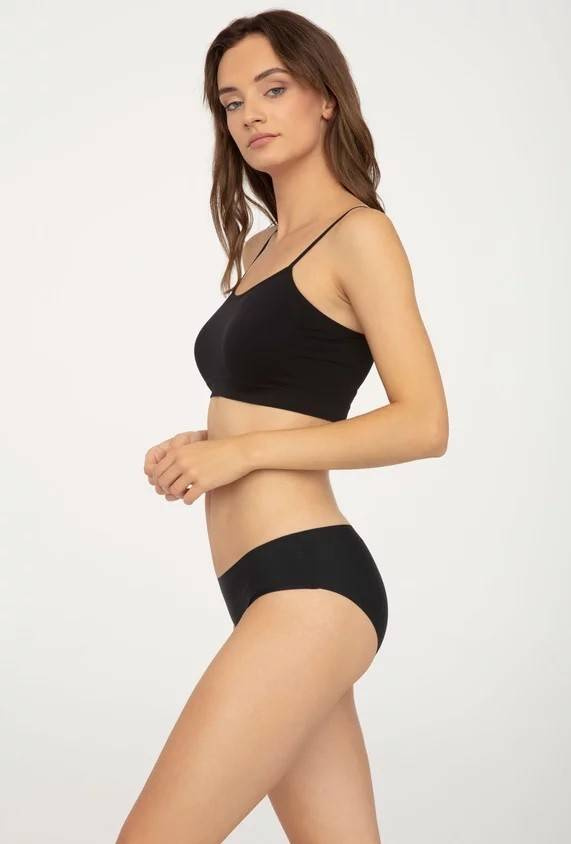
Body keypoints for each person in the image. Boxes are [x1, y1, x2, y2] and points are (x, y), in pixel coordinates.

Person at [117, 9, 448, 844]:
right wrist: (208, 444)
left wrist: (245, 454)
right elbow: (283, 394)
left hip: (311, 588)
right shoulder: (261, 247)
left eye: (272, 89)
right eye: (231, 102)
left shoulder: (359, 235)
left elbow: (423, 423)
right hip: (259, 587)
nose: (249, 115)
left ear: (324, 97)